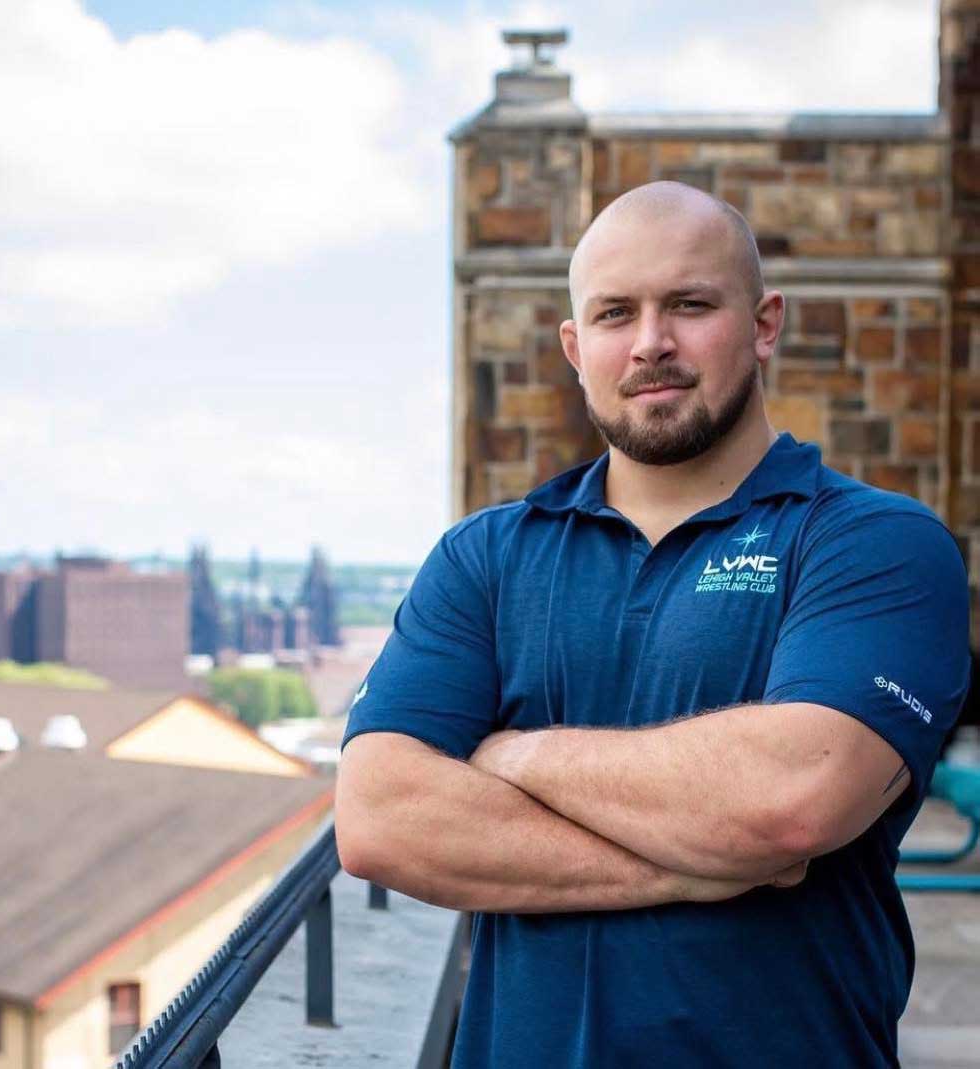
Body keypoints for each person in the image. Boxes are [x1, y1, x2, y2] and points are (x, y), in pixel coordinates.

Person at [335, 181, 970, 1068]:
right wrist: (694, 862)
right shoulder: (485, 557)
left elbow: (789, 802)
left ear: (762, 323)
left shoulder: (872, 543)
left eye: (688, 304)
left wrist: (515, 755)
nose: (649, 343)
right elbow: (379, 820)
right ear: (574, 345)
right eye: (612, 313)